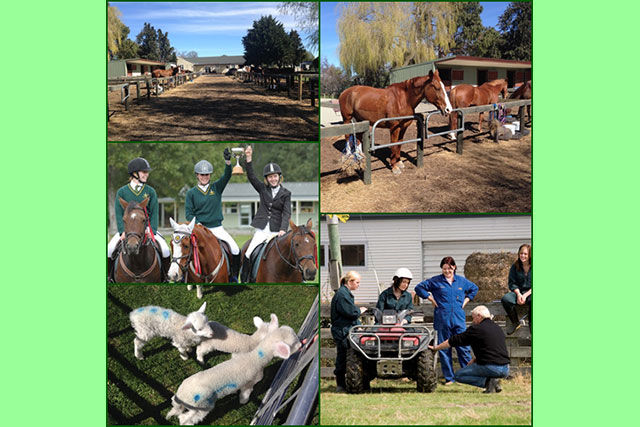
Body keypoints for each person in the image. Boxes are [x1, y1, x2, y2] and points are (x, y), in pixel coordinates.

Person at [414, 256, 479, 385]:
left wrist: (465, 301)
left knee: (463, 347)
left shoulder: (461, 281)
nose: (447, 271)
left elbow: (474, 289)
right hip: (442, 319)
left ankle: (467, 377)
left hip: (458, 318)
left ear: (454, 267)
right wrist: (430, 298)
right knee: (444, 349)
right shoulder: (436, 281)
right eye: (444, 269)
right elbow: (419, 288)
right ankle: (449, 378)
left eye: (449, 268)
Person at [107, 157, 171, 281]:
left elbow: (154, 214)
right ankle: (108, 277)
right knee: (109, 249)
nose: (147, 174)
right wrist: (122, 232)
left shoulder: (150, 191)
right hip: (127, 230)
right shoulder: (122, 192)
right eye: (144, 172)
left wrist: (150, 229)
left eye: (147, 172)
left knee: (165, 248)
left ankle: (165, 277)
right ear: (135, 173)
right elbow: (119, 214)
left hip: (146, 229)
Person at [185, 149, 241, 282]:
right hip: (199, 228)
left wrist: (228, 162)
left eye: (207, 174)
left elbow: (227, 176)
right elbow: (188, 213)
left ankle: (233, 276)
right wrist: (198, 225)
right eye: (202, 174)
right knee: (185, 250)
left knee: (235, 249)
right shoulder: (191, 193)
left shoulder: (216, 188)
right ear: (197, 175)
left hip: (216, 228)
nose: (205, 177)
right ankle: (184, 277)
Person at [240, 145, 292, 283]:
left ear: (279, 177)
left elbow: (286, 213)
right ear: (267, 179)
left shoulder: (286, 194)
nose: (273, 179)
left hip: (277, 231)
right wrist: (249, 158)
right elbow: (251, 176)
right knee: (248, 253)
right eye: (270, 177)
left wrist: (283, 229)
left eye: (275, 176)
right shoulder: (263, 189)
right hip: (262, 229)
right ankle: (245, 280)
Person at [429, 305, 510, 393]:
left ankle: (488, 382)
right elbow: (491, 349)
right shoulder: (497, 328)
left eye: (474, 318)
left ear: (479, 316)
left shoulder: (476, 329)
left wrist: (436, 347)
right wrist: (475, 359)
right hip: (505, 368)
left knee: (459, 375)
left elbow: (453, 340)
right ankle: (492, 382)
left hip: (491, 367)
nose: (473, 321)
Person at [330, 271, 367, 392]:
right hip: (342, 330)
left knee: (349, 355)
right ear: (350, 282)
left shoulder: (344, 293)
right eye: (357, 282)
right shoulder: (342, 295)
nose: (358, 285)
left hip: (346, 328)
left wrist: (358, 325)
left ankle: (349, 382)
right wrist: (359, 311)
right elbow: (350, 313)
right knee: (343, 355)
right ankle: (340, 384)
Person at [501, 244, 532, 335]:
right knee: (506, 299)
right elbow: (512, 283)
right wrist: (519, 295)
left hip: (531, 293)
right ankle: (515, 322)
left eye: (525, 254)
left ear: (530, 254)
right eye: (521, 253)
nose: (523, 256)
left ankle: (532, 323)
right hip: (518, 292)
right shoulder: (515, 266)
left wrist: (525, 296)